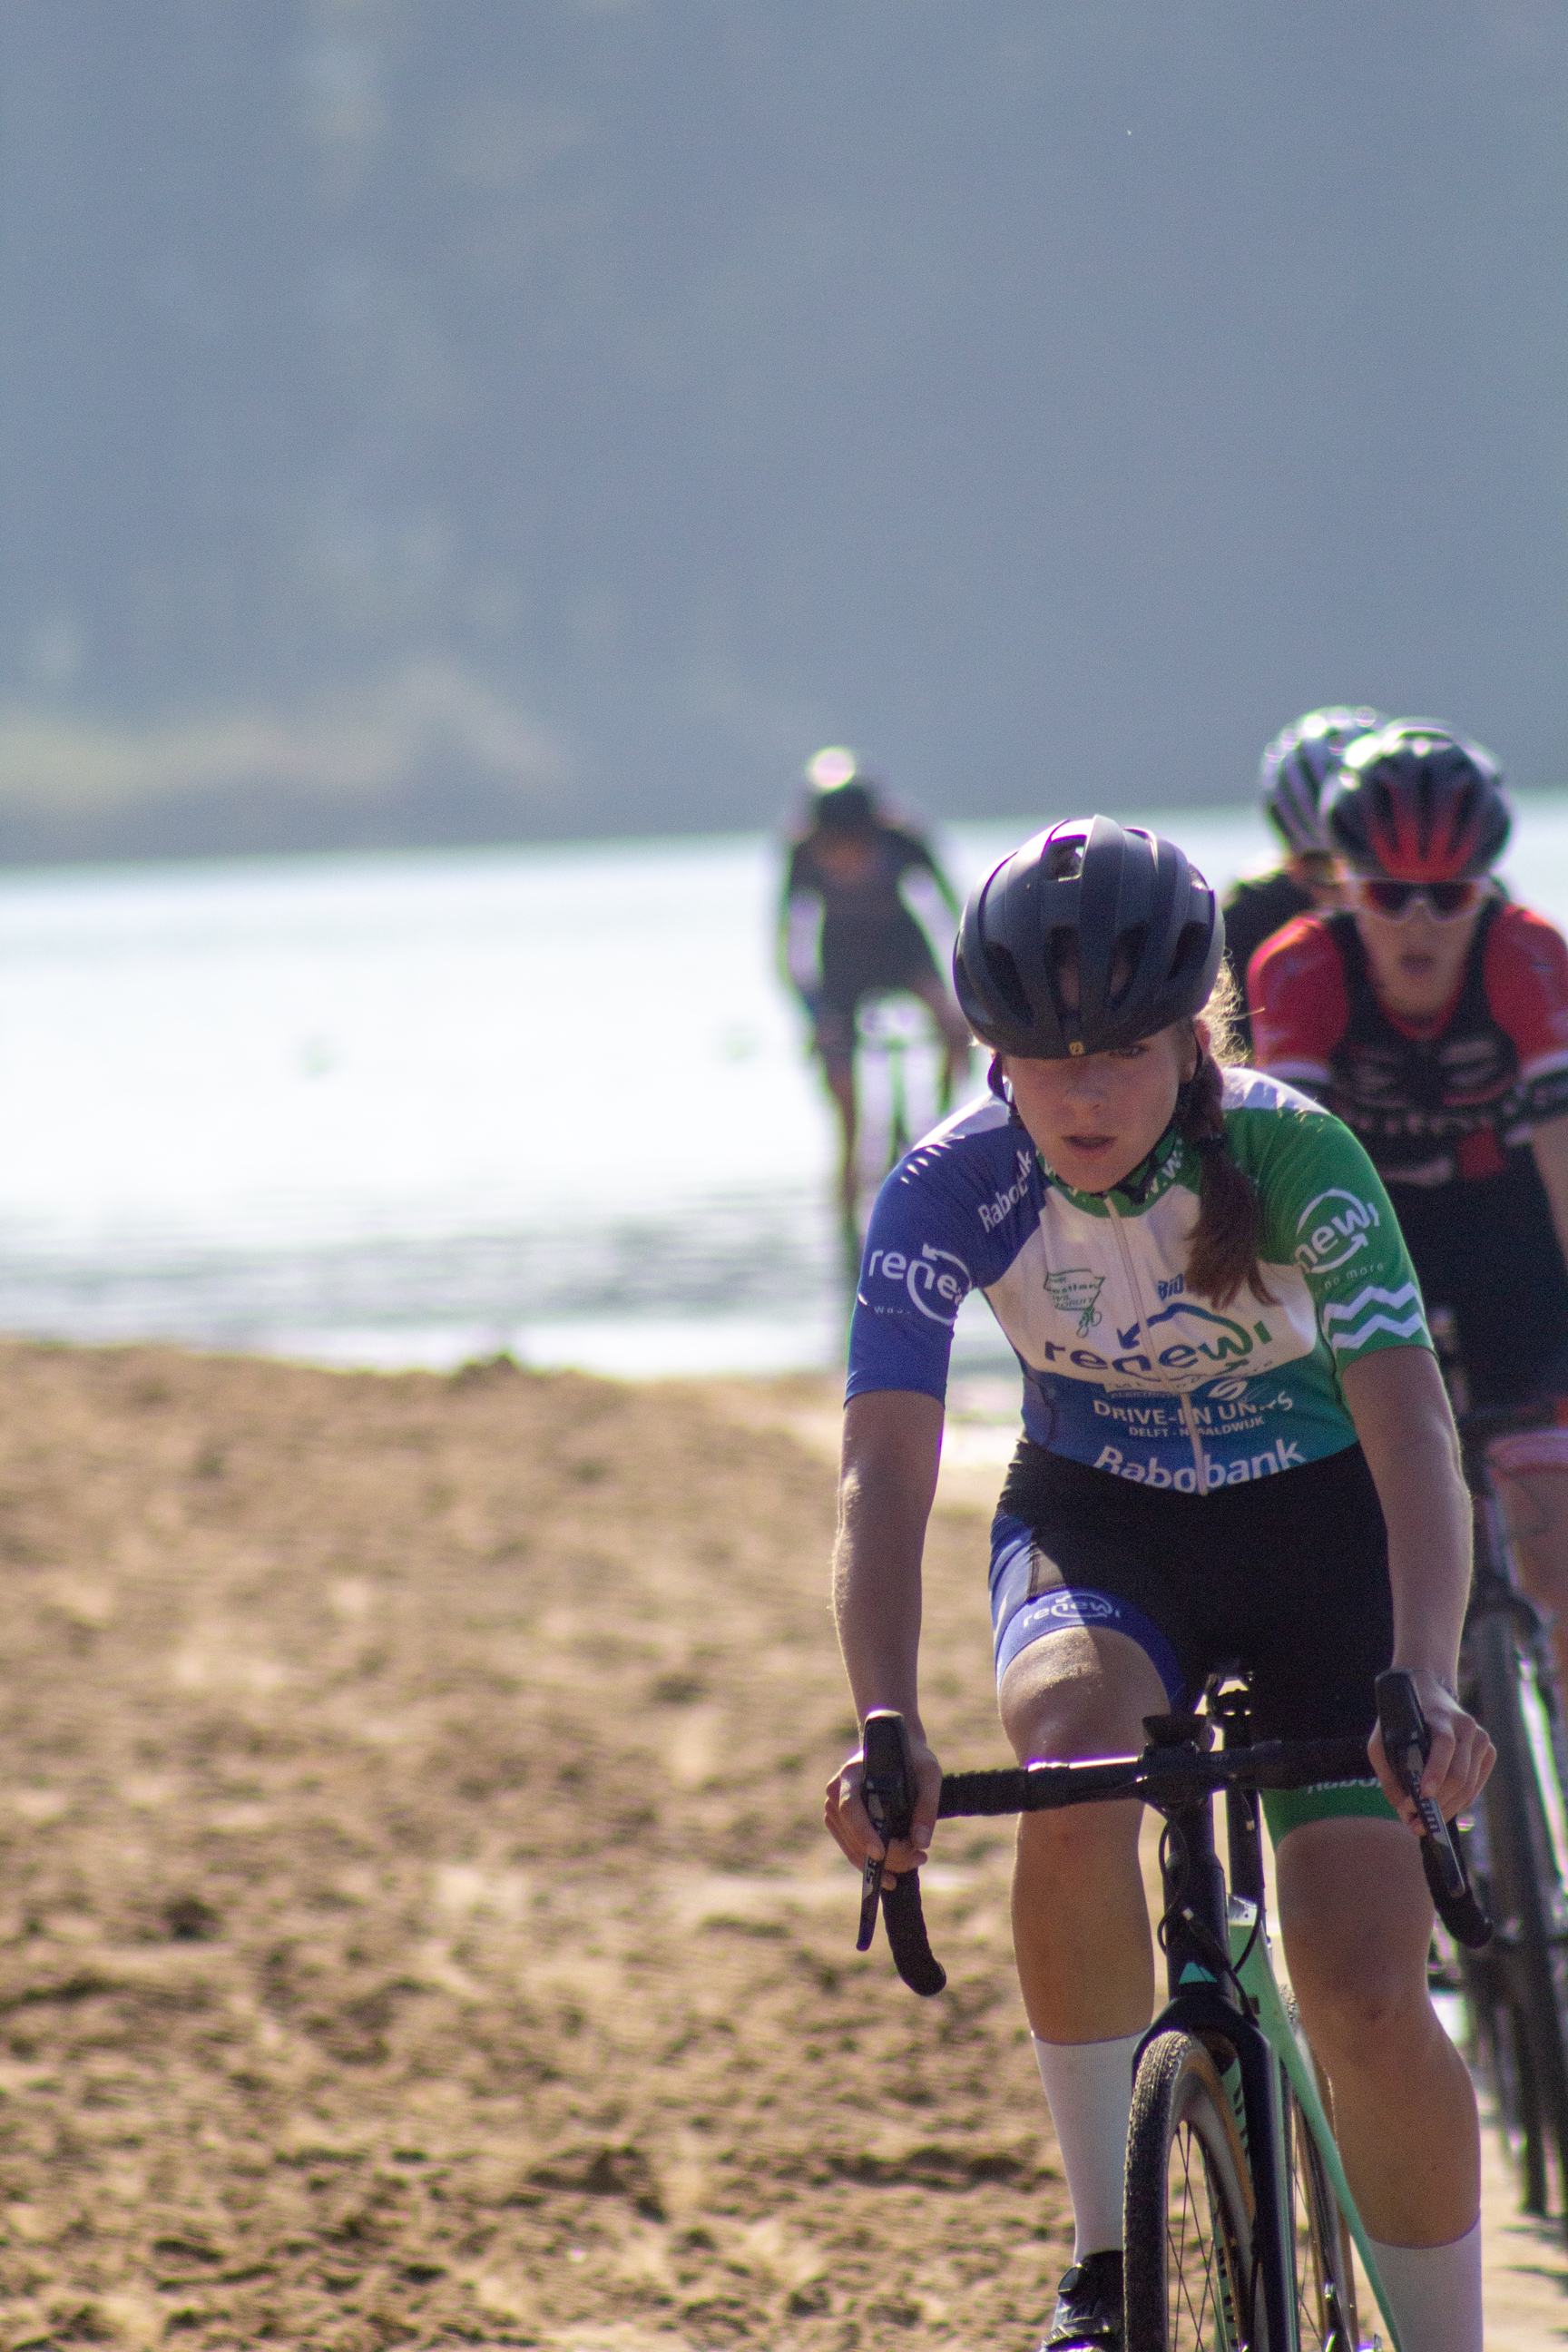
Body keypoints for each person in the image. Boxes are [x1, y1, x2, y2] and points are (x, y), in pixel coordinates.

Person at [823, 815, 1492, 2352]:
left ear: (1193, 1037)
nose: (1083, 1094)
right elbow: (881, 1472)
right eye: (1043, 1058)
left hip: (1325, 1537)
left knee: (1364, 1991)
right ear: (989, 1054)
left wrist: (1427, 1675)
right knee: (1069, 1770)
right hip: (1100, 1526)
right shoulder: (947, 1186)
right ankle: (1105, 2262)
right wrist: (883, 1719)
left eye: (1122, 1050)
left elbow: (1411, 1434)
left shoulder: (1294, 1153)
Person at [1250, 719, 1568, 1699]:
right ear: (1344, 884)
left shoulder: (1529, 955)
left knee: (1556, 1540)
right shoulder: (1297, 969)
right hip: (1369, 1230)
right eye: (1390, 894)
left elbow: (1564, 1162)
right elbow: (1282, 1188)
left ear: (1488, 890)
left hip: (1510, 1228)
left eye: (1452, 895)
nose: (1420, 922)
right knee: (1372, 1508)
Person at [779, 749, 973, 1239]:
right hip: (841, 966)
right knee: (847, 1106)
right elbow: (788, 946)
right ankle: (847, 1214)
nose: (847, 857)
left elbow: (954, 917)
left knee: (955, 1032)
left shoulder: (903, 840)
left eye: (857, 844)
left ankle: (935, 1135)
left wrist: (965, 993)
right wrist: (814, 1015)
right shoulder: (801, 852)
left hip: (902, 952)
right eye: (835, 848)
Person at [1221, 704, 1387, 1055]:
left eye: (1375, 871)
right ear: (1291, 866)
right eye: (1325, 872)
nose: (1353, 896)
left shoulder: (1472, 909)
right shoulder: (1245, 925)